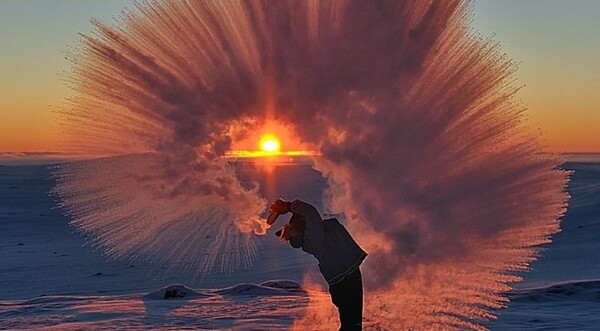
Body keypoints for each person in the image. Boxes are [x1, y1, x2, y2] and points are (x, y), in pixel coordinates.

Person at [267, 198, 367, 331]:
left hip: (342, 278)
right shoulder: (313, 236)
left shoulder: (314, 236)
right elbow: (310, 212)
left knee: (351, 323)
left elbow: (311, 216)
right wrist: (289, 206)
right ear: (303, 225)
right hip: (345, 279)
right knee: (352, 325)